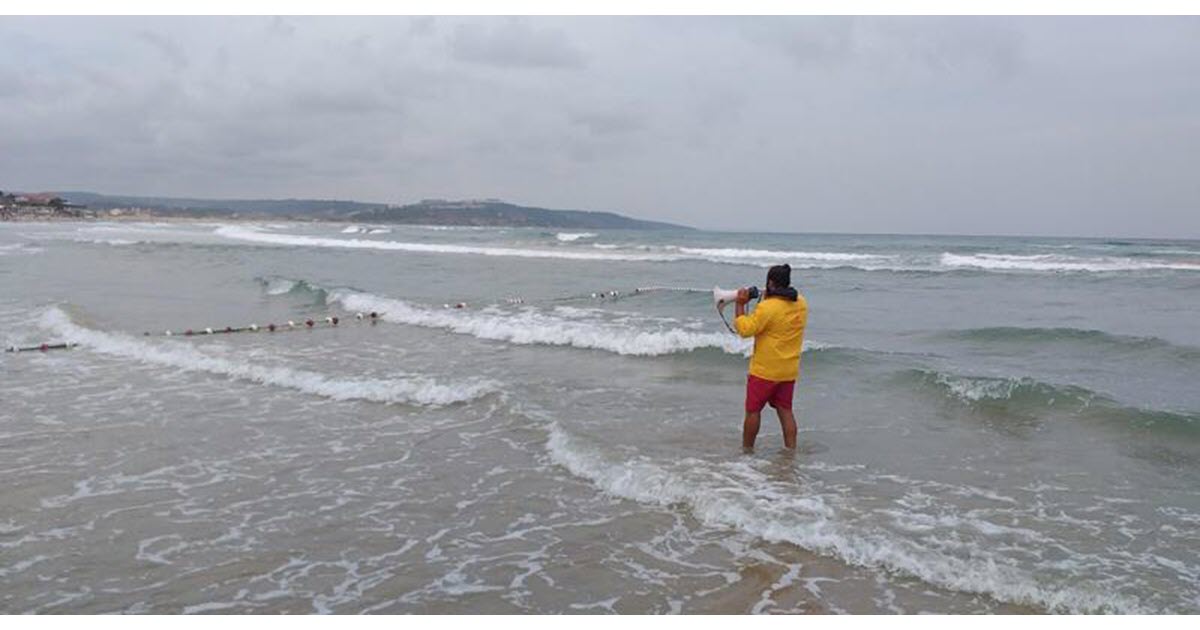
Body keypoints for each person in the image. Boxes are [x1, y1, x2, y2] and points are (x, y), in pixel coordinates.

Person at [734, 263, 808, 450]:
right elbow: (782, 311)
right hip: (788, 370)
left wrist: (740, 305)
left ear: (770, 283)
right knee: (785, 411)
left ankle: (747, 450)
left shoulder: (767, 308)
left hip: (764, 371)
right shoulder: (801, 303)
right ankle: (791, 451)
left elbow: (745, 329)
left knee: (753, 412)